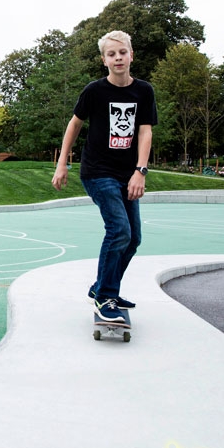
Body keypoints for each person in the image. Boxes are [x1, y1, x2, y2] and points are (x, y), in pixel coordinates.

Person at [51, 30, 157, 323]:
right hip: (97, 172)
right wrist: (62, 163)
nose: (118, 58)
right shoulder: (94, 91)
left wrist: (140, 171)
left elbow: (145, 131)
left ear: (131, 55)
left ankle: (102, 287)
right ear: (104, 60)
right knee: (119, 229)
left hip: (128, 173)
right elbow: (74, 125)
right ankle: (105, 296)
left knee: (133, 239)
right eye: (111, 54)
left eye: (122, 52)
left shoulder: (144, 91)